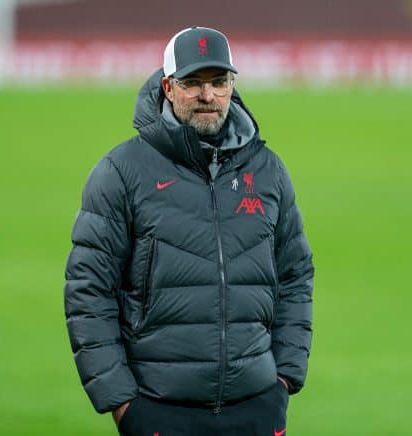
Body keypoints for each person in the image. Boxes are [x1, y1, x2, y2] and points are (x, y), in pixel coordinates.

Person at [64, 26, 314, 436]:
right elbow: (88, 289)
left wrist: (284, 377)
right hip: (159, 410)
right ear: (167, 86)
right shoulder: (122, 172)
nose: (207, 96)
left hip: (256, 407)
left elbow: (295, 274)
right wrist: (122, 403)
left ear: (232, 85)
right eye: (192, 83)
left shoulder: (268, 170)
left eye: (219, 82)